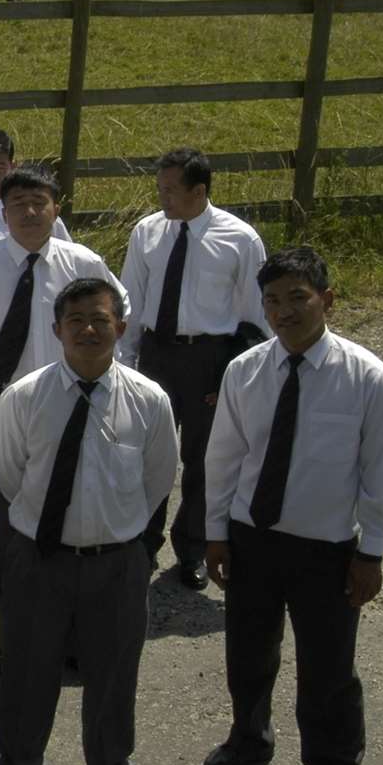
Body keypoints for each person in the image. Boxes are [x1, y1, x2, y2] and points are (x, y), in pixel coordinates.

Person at [201, 247, 383, 765]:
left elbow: (377, 473)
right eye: (272, 301)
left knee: (328, 675)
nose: (283, 311)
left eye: (297, 298)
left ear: (327, 300)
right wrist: (216, 532)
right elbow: (225, 458)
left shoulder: (366, 376)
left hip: (327, 550)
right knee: (247, 652)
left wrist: (372, 553)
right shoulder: (246, 370)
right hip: (254, 541)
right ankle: (249, 737)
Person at [0, 279, 177, 765]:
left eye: (100, 319)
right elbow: (9, 474)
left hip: (116, 563)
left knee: (114, 677)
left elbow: (157, 477)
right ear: (57, 330)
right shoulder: (24, 397)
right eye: (76, 320)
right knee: (27, 673)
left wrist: (116, 530)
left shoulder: (148, 400)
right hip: (38, 558)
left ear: (120, 326)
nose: (88, 330)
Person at [0, 167, 124, 629]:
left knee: (66, 499)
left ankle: (69, 616)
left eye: (40, 202)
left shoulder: (85, 265)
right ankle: (6, 606)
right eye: (18, 204)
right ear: (3, 210)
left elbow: (119, 323)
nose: (30, 212)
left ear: (57, 207)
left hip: (72, 398)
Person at [117, 147, 269, 590]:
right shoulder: (147, 232)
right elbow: (133, 298)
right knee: (147, 453)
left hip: (209, 357)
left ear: (198, 190)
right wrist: (127, 361)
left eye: (170, 190)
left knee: (205, 459)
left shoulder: (239, 239)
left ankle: (193, 548)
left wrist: (232, 377)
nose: (162, 197)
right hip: (157, 353)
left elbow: (254, 317)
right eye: (159, 188)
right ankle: (141, 544)